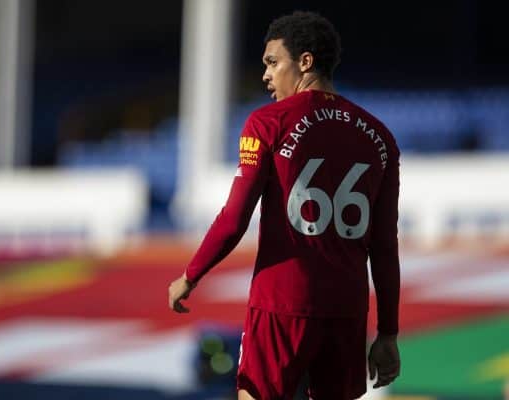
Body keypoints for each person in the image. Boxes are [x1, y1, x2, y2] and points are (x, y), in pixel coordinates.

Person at [168, 10, 400, 400]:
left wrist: (190, 275)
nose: (265, 76)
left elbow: (234, 217)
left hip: (281, 304)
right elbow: (384, 244)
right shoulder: (380, 137)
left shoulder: (267, 123)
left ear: (305, 62)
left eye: (273, 63)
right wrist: (388, 332)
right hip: (346, 311)